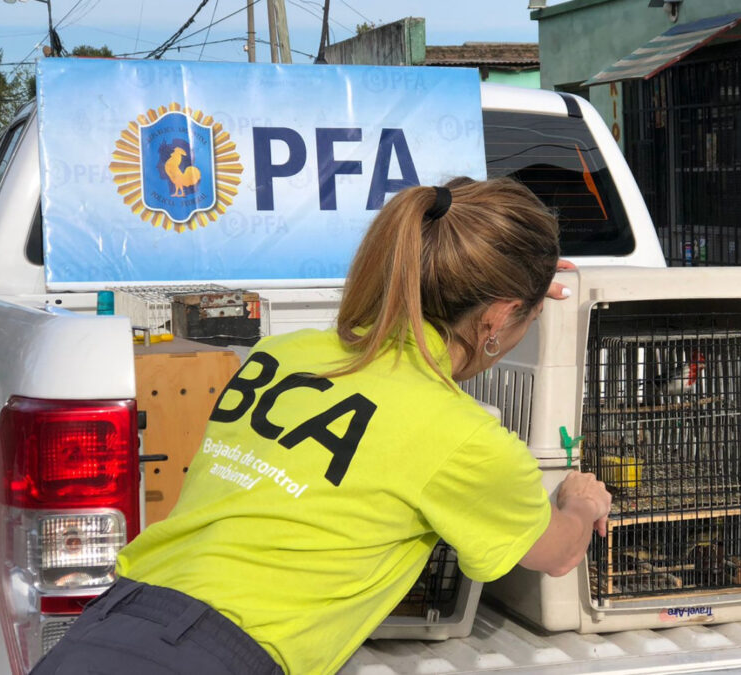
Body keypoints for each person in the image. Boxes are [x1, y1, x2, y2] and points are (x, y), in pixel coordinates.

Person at [32, 177, 612, 675]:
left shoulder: (282, 354)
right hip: (219, 655)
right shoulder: (465, 438)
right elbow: (557, 553)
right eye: (530, 316)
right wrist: (582, 502)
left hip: (112, 623)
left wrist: (514, 287)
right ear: (499, 316)